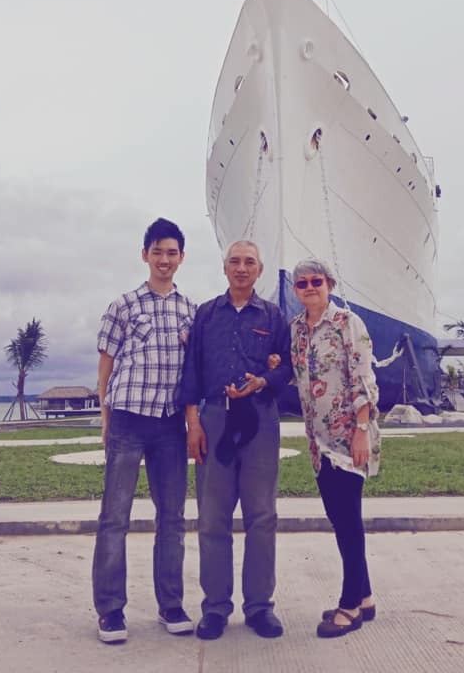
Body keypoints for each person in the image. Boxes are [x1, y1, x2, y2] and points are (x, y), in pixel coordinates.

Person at [181, 240, 292, 641]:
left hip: (260, 419)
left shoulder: (274, 316)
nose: (241, 268)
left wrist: (266, 379)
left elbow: (289, 366)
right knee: (212, 518)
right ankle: (214, 608)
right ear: (224, 268)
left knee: (262, 516)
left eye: (249, 262)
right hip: (214, 418)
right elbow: (190, 372)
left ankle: (260, 607)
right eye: (234, 262)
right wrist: (193, 423)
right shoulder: (207, 315)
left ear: (260, 270)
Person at [92, 217, 196, 644]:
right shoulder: (123, 305)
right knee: (114, 517)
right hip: (128, 419)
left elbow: (194, 370)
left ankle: (171, 604)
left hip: (170, 424)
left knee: (171, 518)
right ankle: (110, 612)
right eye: (158, 252)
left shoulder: (192, 311)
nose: (165, 260)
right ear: (145, 255)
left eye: (172, 253)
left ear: (182, 258)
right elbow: (106, 364)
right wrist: (105, 416)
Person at [289, 259, 381, 638]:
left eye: (316, 281)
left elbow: (363, 377)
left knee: (348, 520)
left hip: (348, 437)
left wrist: (361, 430)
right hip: (318, 441)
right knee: (338, 518)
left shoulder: (347, 323)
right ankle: (366, 596)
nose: (309, 287)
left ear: (329, 284)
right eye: (302, 283)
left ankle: (349, 607)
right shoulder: (295, 329)